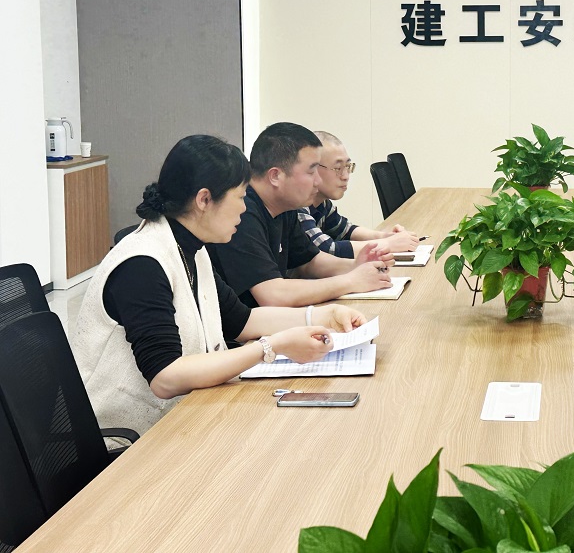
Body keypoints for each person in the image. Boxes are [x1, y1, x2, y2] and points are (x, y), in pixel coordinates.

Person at [72, 135, 368, 436]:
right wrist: (271, 347)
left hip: (185, 416)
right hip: (128, 441)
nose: (243, 209)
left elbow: (242, 320)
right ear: (204, 200)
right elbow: (165, 377)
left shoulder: (192, 248)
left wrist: (324, 316)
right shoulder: (141, 264)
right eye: (239, 197)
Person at [208, 122, 392, 308]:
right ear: (275, 176)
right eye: (311, 171)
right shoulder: (241, 211)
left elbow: (309, 262)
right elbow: (273, 294)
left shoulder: (284, 206)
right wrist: (351, 281)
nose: (318, 181)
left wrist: (355, 266)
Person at [298, 131, 422, 257]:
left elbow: (345, 231)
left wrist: (387, 236)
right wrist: (387, 244)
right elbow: (326, 249)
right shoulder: (297, 207)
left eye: (348, 166)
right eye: (338, 168)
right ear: (312, 169)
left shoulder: (322, 203)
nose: (345, 176)